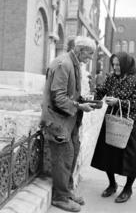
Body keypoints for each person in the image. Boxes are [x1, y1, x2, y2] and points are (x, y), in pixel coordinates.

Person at [40, 36, 96, 212]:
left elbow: (69, 93)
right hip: (57, 121)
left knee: (72, 153)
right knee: (64, 157)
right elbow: (59, 98)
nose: (91, 58)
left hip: (68, 120)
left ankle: (67, 191)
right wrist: (80, 105)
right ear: (80, 50)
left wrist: (83, 100)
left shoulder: (73, 63)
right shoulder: (64, 64)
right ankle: (60, 197)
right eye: (89, 54)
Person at [91, 52, 136, 203]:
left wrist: (118, 102)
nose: (115, 67)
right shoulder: (111, 77)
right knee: (108, 153)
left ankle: (128, 188)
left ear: (126, 64)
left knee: (132, 156)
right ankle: (112, 184)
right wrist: (91, 100)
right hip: (112, 120)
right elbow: (101, 91)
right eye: (114, 64)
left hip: (131, 122)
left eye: (118, 65)